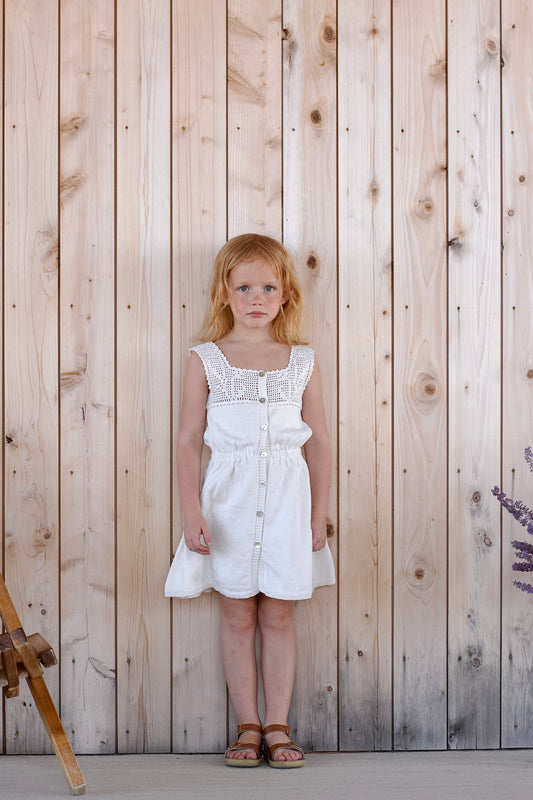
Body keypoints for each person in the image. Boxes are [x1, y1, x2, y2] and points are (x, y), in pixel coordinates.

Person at [165, 233, 335, 768]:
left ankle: (279, 725)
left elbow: (320, 440)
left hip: (288, 503)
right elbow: (189, 438)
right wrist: (192, 511)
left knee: (279, 616)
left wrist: (319, 513)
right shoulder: (207, 360)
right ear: (224, 292)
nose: (256, 298)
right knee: (236, 615)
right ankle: (247, 726)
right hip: (228, 507)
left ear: (285, 294)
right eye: (244, 287)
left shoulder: (300, 361)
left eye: (268, 287)